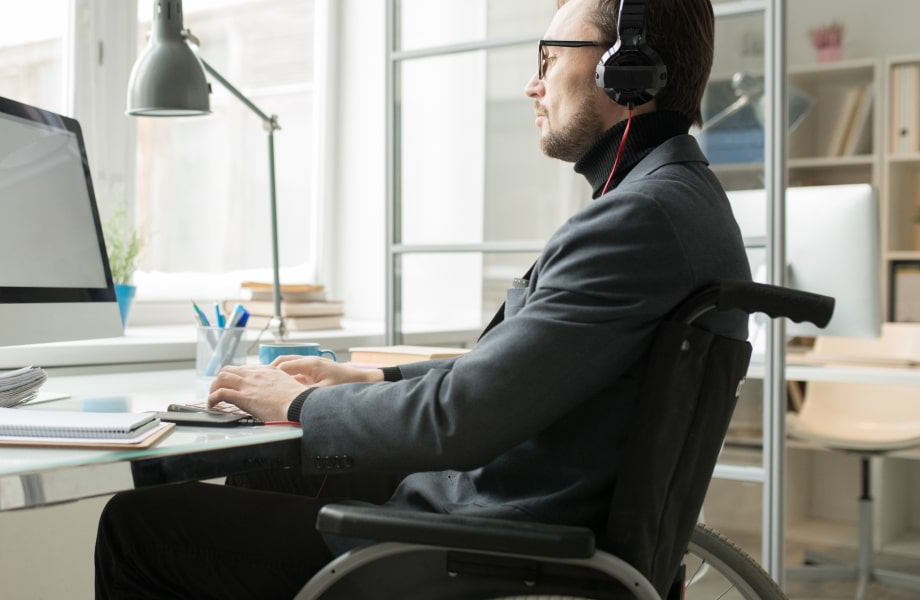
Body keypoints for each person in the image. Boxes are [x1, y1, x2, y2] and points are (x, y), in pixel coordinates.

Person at [95, 0, 750, 597]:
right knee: (274, 468)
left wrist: (299, 401)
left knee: (136, 525)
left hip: (490, 552)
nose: (533, 84)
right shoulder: (672, 203)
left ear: (629, 68)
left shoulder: (640, 221)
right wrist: (368, 375)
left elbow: (464, 416)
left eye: (548, 58)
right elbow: (522, 375)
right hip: (525, 524)